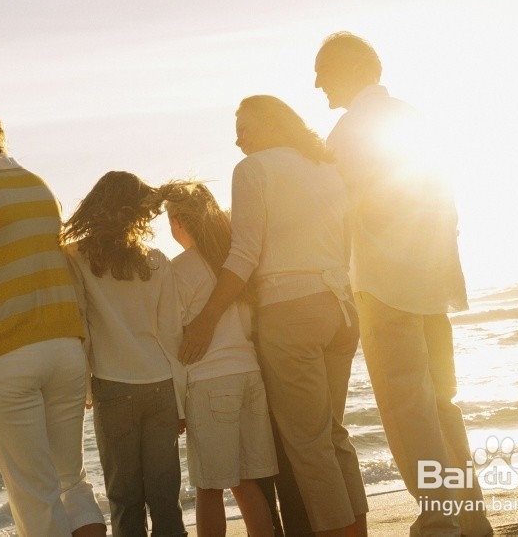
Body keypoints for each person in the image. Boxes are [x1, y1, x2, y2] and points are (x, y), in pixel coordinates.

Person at [314, 31, 493, 536]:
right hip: (433, 283)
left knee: (405, 406)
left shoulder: (350, 131)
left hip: (384, 283)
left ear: (350, 70)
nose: (316, 85)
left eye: (322, 72)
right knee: (439, 402)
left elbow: (332, 209)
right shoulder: (412, 117)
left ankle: (440, 517)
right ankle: (470, 517)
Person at [179, 96, 368, 537]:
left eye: (244, 127)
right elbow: (344, 245)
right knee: (334, 434)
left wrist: (207, 317)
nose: (238, 139)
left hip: (291, 312)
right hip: (340, 309)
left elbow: (244, 253)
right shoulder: (325, 167)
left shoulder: (254, 169)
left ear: (269, 125)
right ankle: (356, 529)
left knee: (308, 444)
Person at [0, 103, 106, 537]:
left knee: (34, 493)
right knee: (72, 478)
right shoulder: (37, 184)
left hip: (7, 354)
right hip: (66, 347)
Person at [62, 172, 187, 537]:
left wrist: (85, 386)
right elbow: (171, 334)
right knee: (165, 497)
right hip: (161, 386)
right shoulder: (157, 261)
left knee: (124, 498)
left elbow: (79, 324)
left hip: (113, 387)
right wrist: (180, 401)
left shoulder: (76, 257)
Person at [166, 182, 277, 537]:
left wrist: (177, 407)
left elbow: (175, 344)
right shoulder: (232, 264)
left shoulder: (179, 269)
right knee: (245, 482)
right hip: (249, 376)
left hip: (211, 383)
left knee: (210, 488)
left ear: (179, 221)